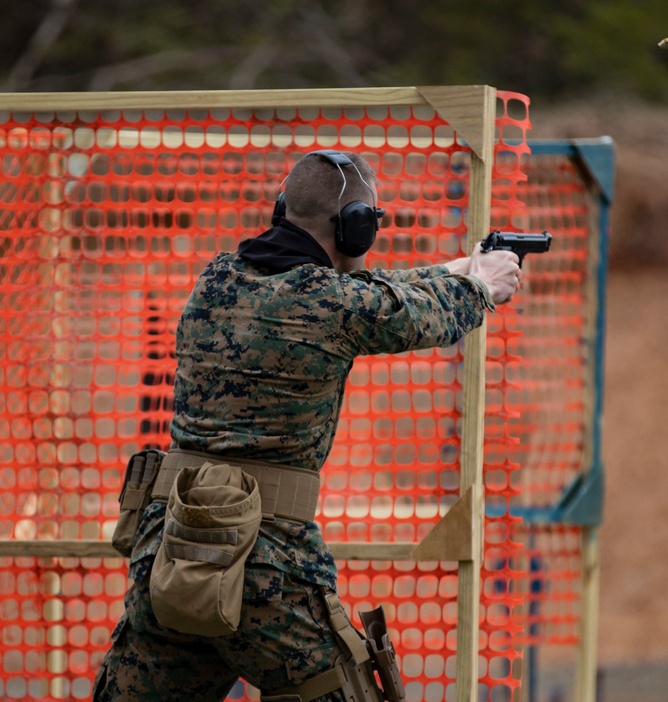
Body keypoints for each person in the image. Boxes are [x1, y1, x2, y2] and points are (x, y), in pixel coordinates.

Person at [94, 149, 522, 701]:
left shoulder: (217, 281)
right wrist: (481, 287)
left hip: (172, 548)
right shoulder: (331, 303)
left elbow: (368, 295)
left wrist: (459, 268)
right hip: (264, 564)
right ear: (356, 227)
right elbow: (412, 316)